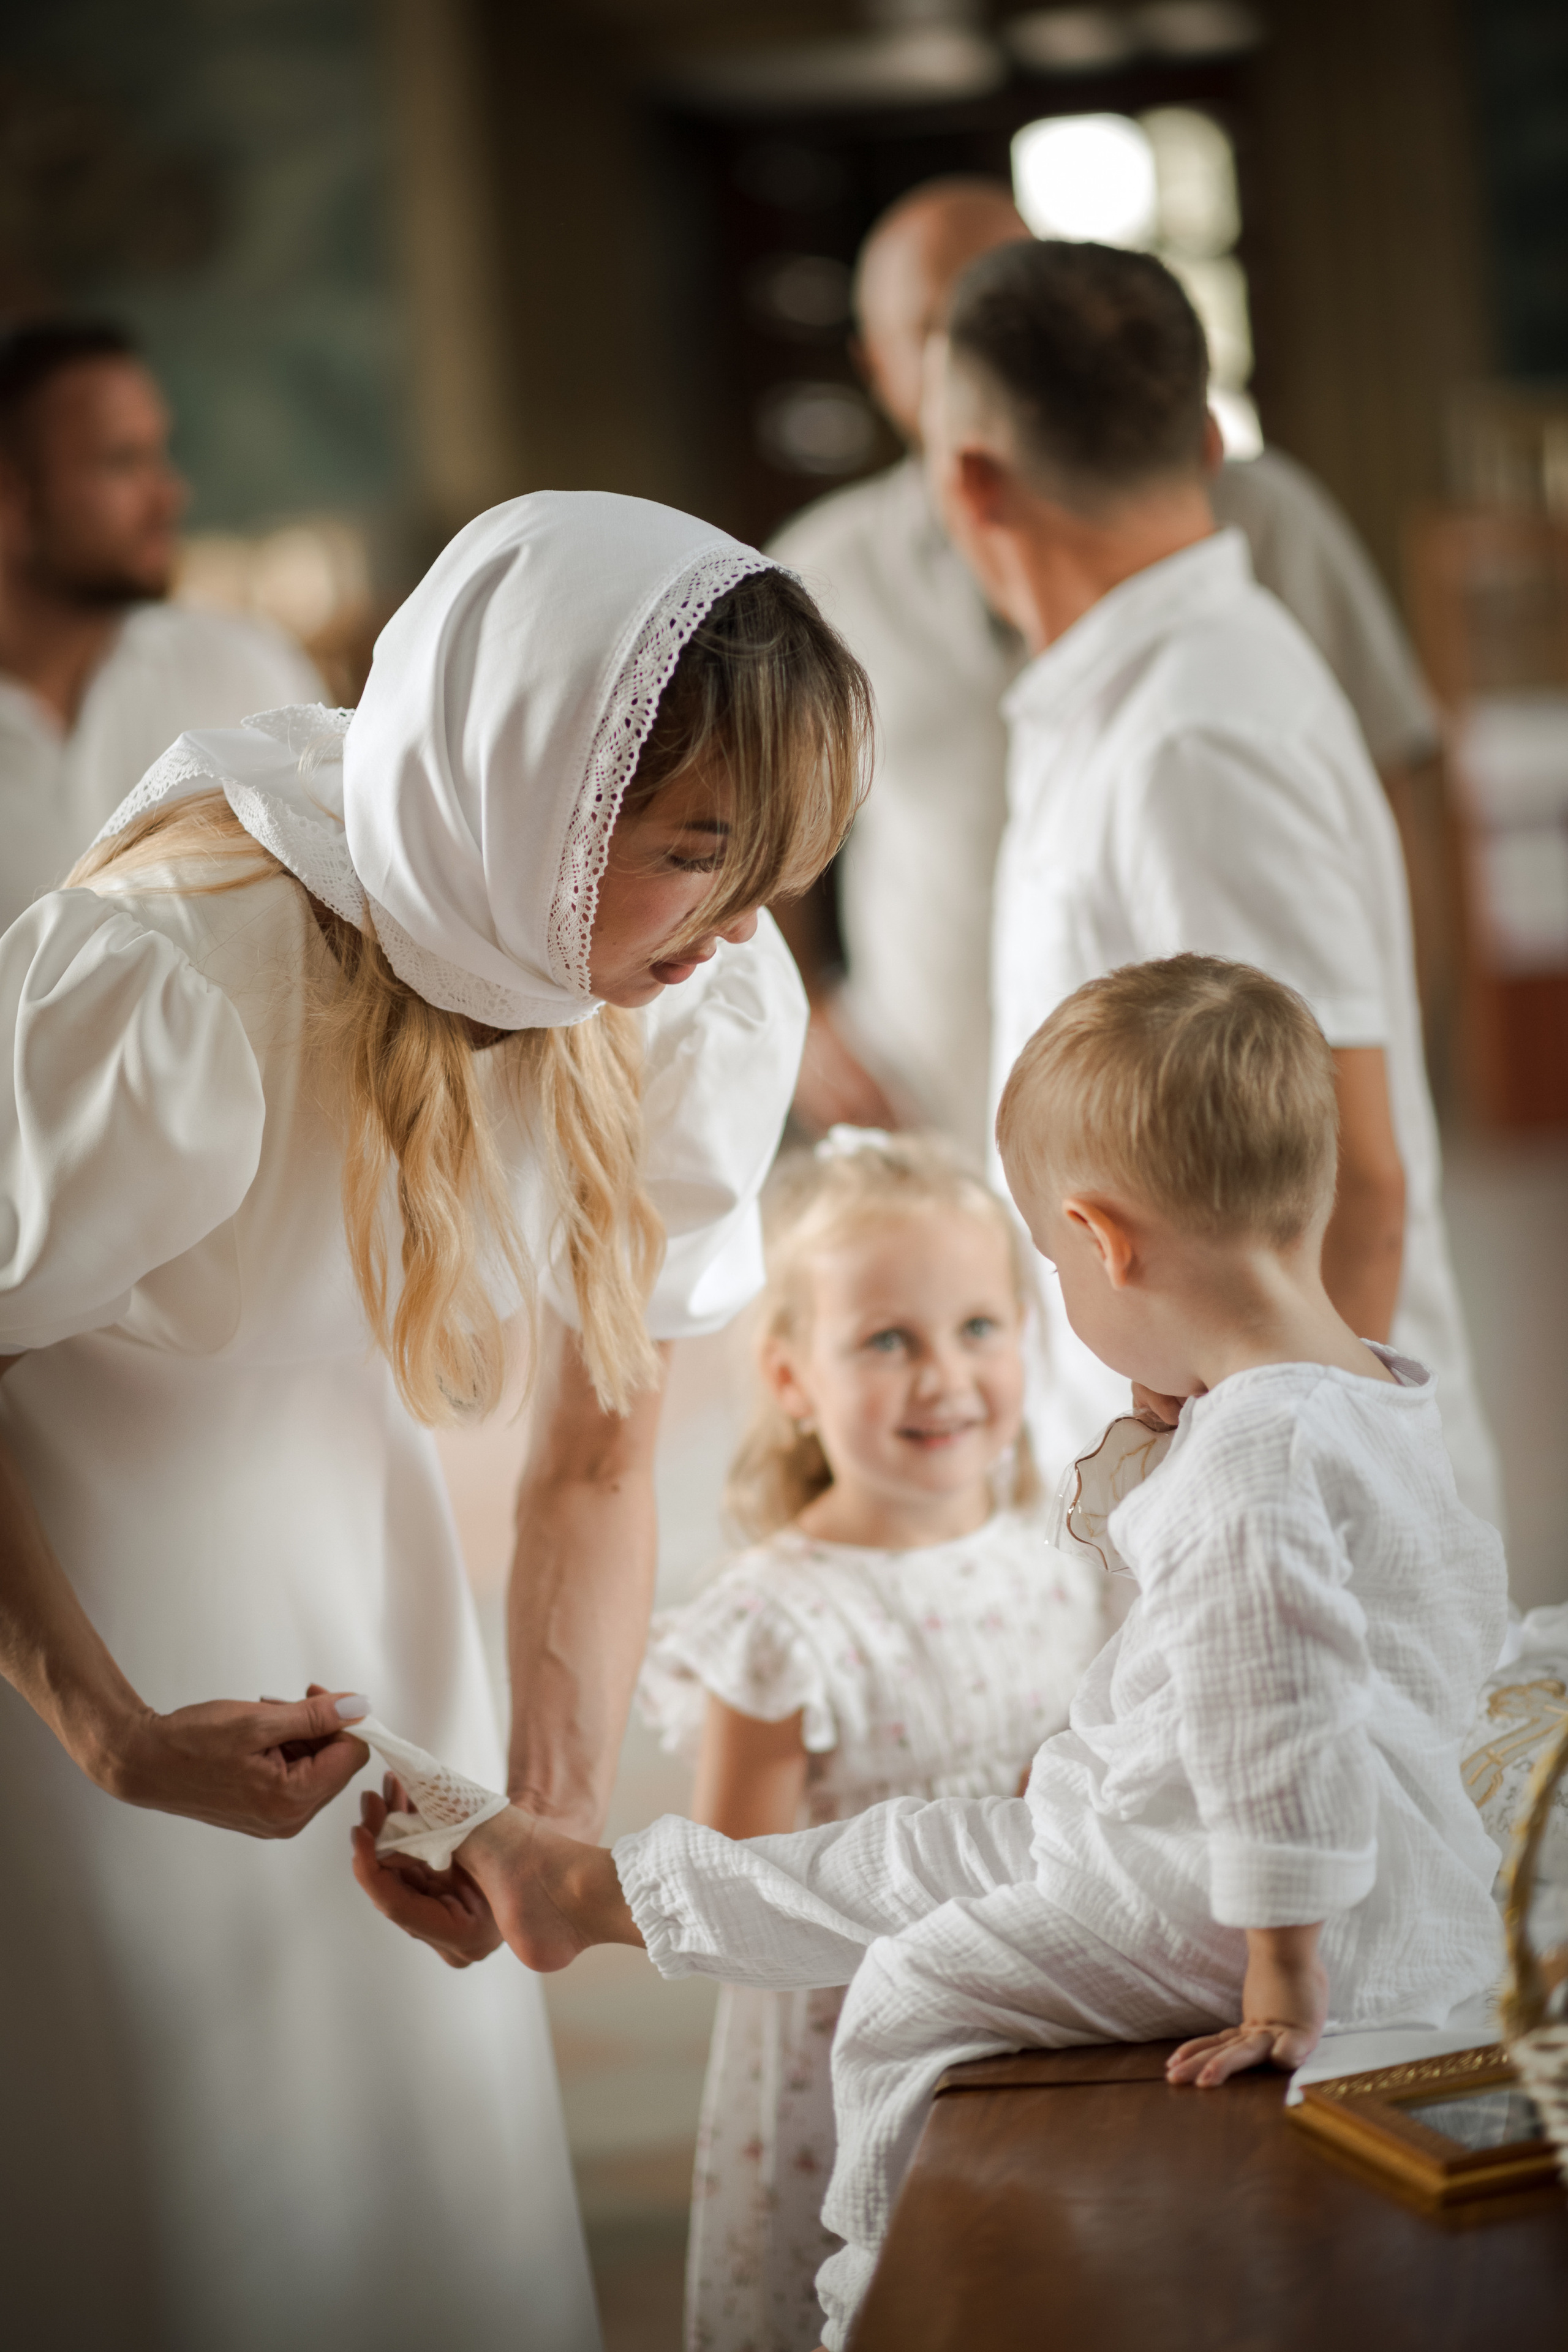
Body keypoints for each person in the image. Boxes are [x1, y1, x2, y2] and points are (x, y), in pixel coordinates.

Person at [0, 491, 870, 2350]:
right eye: (691, 850)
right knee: (177, 2185)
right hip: (63, 1627)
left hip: (362, 1596)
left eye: (767, 865)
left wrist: (541, 1817)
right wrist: (114, 1732)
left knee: (416, 2168)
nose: (728, 929)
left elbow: (597, 1445)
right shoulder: (177, 978)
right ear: (531, 792)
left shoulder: (677, 1000)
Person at [363, 956, 1508, 2352]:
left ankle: (866, 2283)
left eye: (1035, 1267)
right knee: (911, 1847)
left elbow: (1276, 1712)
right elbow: (1423, 1641)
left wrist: (1280, 1967)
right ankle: (590, 1888)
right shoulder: (1367, 1399)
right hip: (1348, 1858)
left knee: (912, 1966)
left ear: (1100, 1241)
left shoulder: (1246, 1459)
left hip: (1249, 1897)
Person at [916, 235, 1499, 1528]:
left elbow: (1348, 1170)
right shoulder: (1130, 698)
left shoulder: (1195, 737)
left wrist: (1266, 1527)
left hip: (1276, 1518)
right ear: (1206, 445)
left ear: (967, 480)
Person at [770, 178, 1442, 1159]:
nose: (978, 347)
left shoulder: (1198, 709)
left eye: (1002, 301)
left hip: (1215, 1168)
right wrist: (801, 1021)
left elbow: (1394, 777)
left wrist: (1397, 1046)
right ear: (876, 365)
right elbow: (752, 827)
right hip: (941, 1124)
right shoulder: (818, 574)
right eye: (938, 325)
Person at [635, 1129, 1106, 2352]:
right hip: (848, 2045)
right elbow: (729, 1883)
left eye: (976, 1328)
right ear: (791, 1377)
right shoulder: (777, 1621)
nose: (941, 1378)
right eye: (885, 1340)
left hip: (1036, 2000)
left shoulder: (1058, 1557)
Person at [0, 318, 322, 930]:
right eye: (123, 462)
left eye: (159, 453)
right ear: (11, 491)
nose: (170, 494)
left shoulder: (249, 677)